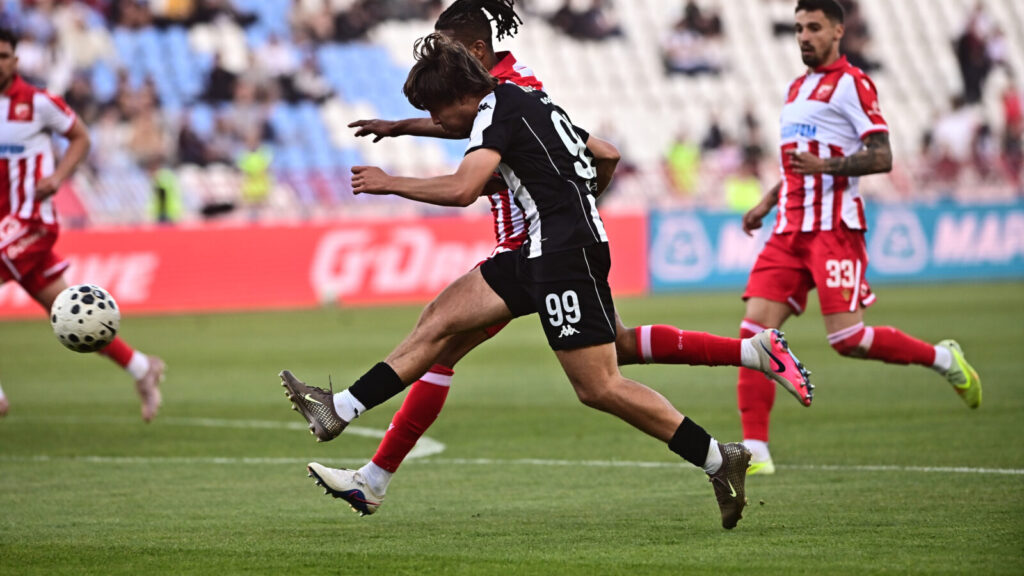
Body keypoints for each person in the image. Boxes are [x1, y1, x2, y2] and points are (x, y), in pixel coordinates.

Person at [333, 0, 811, 517]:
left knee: (576, 377)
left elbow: (472, 176)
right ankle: (752, 356)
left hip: (538, 245)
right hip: (550, 243)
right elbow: (584, 149)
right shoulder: (513, 89)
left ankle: (365, 460)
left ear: (473, 51)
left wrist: (562, 204)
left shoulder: (506, 98)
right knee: (604, 348)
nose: (438, 104)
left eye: (447, 51)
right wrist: (407, 127)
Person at [736, 0, 982, 476]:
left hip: (833, 230)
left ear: (838, 32)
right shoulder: (795, 88)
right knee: (754, 334)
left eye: (814, 27)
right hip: (788, 228)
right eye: (798, 28)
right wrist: (768, 202)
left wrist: (827, 166)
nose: (804, 36)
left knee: (848, 339)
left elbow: (883, 155)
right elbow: (796, 163)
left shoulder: (853, 84)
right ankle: (756, 450)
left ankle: (943, 358)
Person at [0, 28, 165, 422]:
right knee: (72, 314)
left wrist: (57, 178)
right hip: (5, 227)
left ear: (16, 60)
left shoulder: (38, 103)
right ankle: (143, 368)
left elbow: (80, 137)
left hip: (31, 221)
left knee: (69, 311)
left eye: (3, 55)